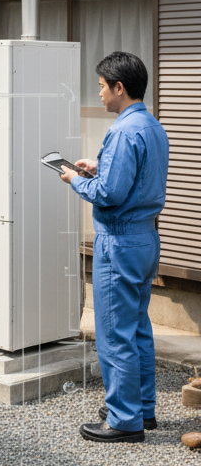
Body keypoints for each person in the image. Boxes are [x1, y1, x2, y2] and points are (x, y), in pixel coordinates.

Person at [60, 50, 168, 444]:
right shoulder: (151, 126)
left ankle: (124, 420)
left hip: (119, 240)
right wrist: (97, 165)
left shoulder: (122, 131)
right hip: (144, 237)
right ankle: (143, 409)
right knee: (137, 326)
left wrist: (75, 179)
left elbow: (108, 193)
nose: (100, 93)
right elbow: (131, 179)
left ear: (119, 87)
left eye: (103, 87)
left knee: (113, 333)